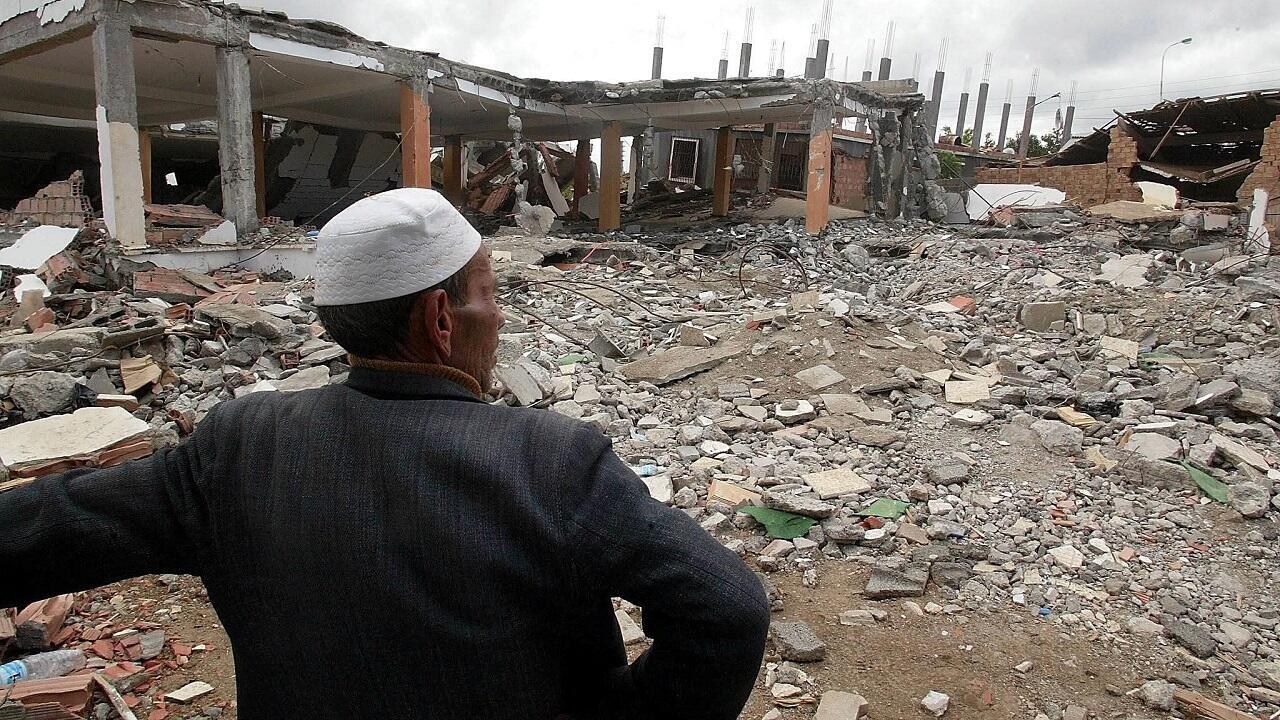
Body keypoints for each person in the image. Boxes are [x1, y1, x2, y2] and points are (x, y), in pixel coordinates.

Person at [0, 188, 770, 720]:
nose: (498, 317)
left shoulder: (241, 446)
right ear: (441, 317)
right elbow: (727, 609)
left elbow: (50, 525)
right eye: (489, 292)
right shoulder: (550, 463)